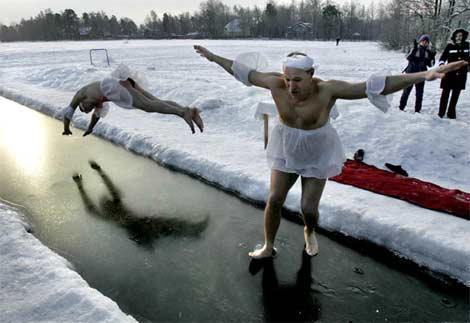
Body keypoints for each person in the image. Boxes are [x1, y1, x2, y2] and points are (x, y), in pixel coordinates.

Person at [194, 44, 467, 259]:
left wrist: (424, 74)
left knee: (307, 208)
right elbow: (242, 71)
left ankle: (309, 229)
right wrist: (213, 57)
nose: (291, 86)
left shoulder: (327, 90)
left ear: (312, 76)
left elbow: (374, 86)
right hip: (286, 147)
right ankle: (268, 245)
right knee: (275, 197)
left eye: (298, 80)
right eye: (288, 79)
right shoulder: (275, 83)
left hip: (317, 150)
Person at [62, 77, 204, 136]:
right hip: (124, 83)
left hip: (114, 85)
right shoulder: (96, 105)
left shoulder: (82, 94)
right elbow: (96, 116)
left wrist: (66, 128)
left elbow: (68, 112)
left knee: (148, 106)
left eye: (84, 108)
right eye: (88, 110)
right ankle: (190, 111)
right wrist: (90, 128)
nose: (88, 109)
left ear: (82, 102)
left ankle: (182, 112)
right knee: (155, 101)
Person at [399, 34, 436, 112]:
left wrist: (432, 57)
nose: (424, 43)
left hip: (422, 75)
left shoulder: (428, 52)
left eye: (426, 42)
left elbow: (430, 65)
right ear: (420, 41)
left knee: (419, 93)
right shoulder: (415, 49)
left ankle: (417, 110)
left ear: (428, 43)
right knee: (406, 92)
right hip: (410, 74)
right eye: (423, 41)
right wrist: (414, 50)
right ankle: (401, 108)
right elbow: (408, 58)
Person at [438, 28, 469, 119]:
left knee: (455, 94)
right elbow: (443, 57)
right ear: (454, 37)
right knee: (445, 93)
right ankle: (441, 112)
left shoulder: (468, 45)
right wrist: (442, 64)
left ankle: (451, 113)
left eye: (460, 35)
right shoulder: (450, 46)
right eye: (457, 36)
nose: (459, 37)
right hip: (449, 73)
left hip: (461, 74)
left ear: (463, 36)